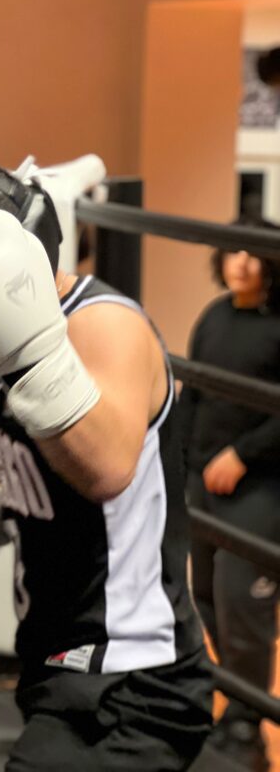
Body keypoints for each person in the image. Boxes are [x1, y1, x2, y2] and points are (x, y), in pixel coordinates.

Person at [0, 160, 214, 772]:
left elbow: (109, 467)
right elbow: (37, 473)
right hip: (58, 664)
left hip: (133, 681)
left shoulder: (103, 324)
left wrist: (19, 343)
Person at [177, 219, 280, 772]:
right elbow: (193, 391)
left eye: (254, 252)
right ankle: (239, 707)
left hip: (261, 487)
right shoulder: (215, 317)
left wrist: (244, 455)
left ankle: (247, 725)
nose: (241, 260)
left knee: (244, 601)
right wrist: (180, 464)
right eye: (232, 250)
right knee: (209, 595)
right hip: (203, 486)